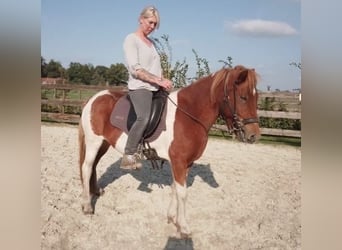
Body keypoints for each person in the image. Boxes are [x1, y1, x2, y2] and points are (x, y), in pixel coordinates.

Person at [121, 6, 173, 170]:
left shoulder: (152, 43)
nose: (152, 27)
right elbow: (136, 69)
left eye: (155, 24)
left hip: (156, 87)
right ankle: (129, 154)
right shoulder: (131, 39)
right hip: (140, 86)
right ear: (141, 19)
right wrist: (158, 80)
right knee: (143, 117)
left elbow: (156, 68)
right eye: (150, 22)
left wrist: (163, 79)